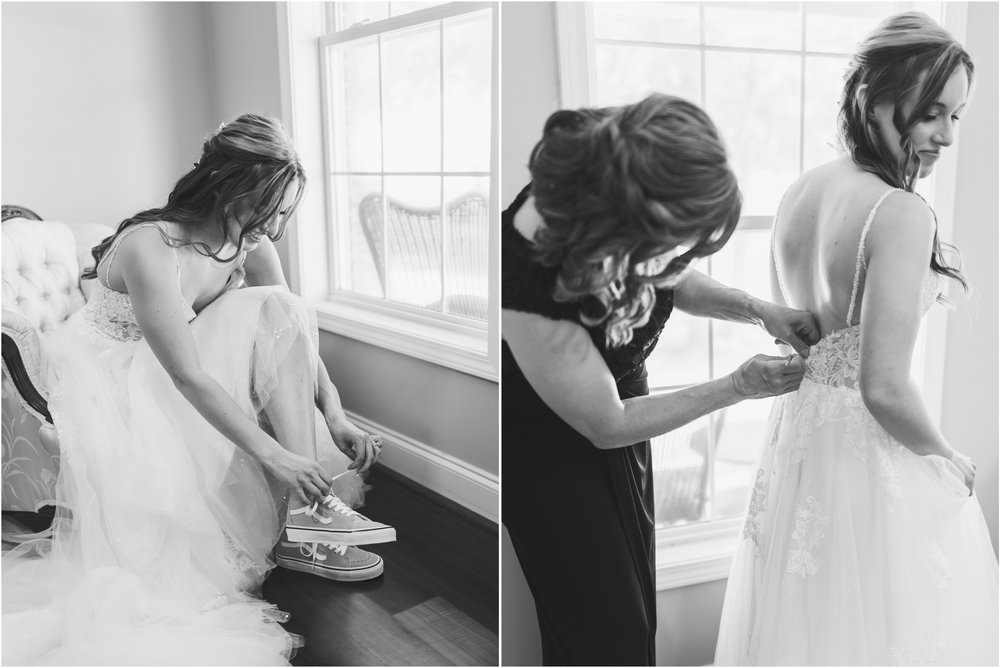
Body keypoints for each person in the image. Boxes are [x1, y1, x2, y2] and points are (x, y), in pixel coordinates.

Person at [2, 114, 394, 665]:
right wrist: (274, 454)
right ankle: (305, 511)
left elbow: (291, 332)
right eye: (267, 210)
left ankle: (305, 516)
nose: (274, 228)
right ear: (228, 188)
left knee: (280, 303)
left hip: (178, 357)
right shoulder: (151, 246)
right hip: (113, 370)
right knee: (252, 349)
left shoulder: (249, 242)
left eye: (284, 213)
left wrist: (335, 412)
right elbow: (185, 373)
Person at [714, 13, 999, 665]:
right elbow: (884, 386)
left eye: (957, 117)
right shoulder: (898, 213)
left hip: (800, 444)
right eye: (934, 113)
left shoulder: (799, 191)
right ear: (878, 99)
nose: (948, 136)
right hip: (866, 463)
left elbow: (801, 339)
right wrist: (948, 457)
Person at [502, 94, 822, 665]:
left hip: (622, 422)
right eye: (675, 247)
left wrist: (758, 310)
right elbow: (606, 423)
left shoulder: (615, 177)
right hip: (551, 455)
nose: (680, 261)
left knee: (632, 619)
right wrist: (736, 386)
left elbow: (673, 274)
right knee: (606, 640)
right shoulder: (527, 281)